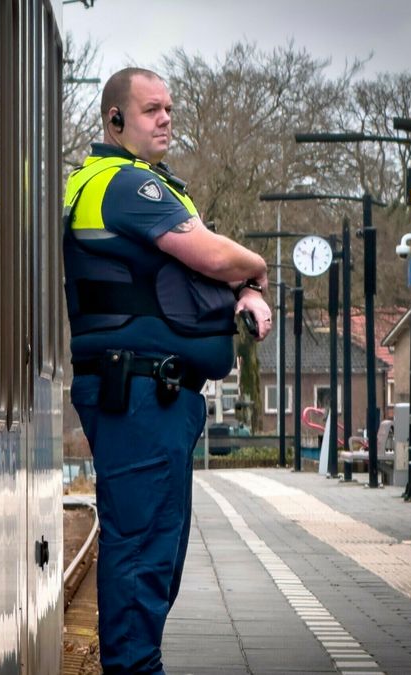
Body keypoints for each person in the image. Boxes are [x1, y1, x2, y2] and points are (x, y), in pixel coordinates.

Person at [63, 67, 272, 673]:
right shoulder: (126, 185)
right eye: (152, 109)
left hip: (153, 395)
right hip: (136, 393)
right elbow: (209, 254)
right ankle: (133, 668)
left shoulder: (138, 185)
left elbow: (195, 281)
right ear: (115, 120)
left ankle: (138, 662)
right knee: (140, 549)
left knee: (157, 548)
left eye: (170, 109)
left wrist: (242, 292)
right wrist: (256, 268)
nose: (166, 119)